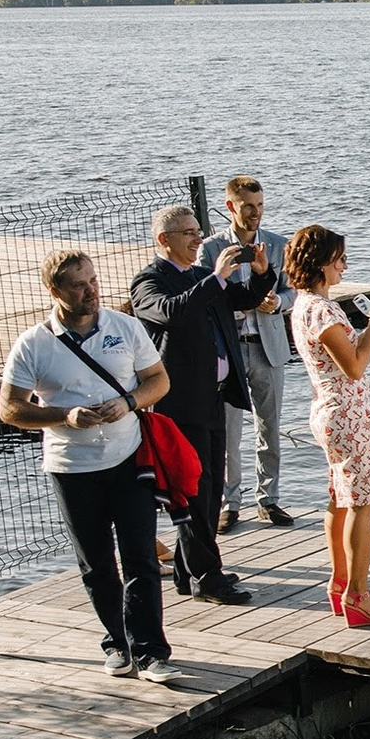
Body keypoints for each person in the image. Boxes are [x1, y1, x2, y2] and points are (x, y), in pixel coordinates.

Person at [0, 249, 186, 685]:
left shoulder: (125, 327)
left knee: (140, 554)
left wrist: (128, 402)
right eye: (79, 285)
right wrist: (64, 416)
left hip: (129, 457)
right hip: (71, 465)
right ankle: (117, 643)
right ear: (55, 291)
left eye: (94, 281)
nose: (91, 292)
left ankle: (152, 651)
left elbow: (159, 380)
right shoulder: (34, 343)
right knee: (96, 561)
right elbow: (10, 409)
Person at [131, 203, 270, 605]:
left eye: (198, 231)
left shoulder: (198, 277)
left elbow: (241, 299)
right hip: (179, 403)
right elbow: (170, 313)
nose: (198, 239)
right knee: (192, 490)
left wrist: (261, 273)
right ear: (164, 240)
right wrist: (217, 277)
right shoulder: (149, 282)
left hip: (214, 398)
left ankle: (187, 570)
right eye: (189, 233)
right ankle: (208, 577)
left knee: (210, 490)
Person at [286, 223, 370, 627]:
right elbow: (353, 367)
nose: (345, 267)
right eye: (339, 260)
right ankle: (358, 593)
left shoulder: (302, 305)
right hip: (347, 412)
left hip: (327, 409)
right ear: (321, 264)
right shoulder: (322, 308)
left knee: (339, 497)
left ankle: (339, 584)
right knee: (361, 504)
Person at [199, 175, 295, 529]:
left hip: (267, 346)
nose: (255, 213)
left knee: (269, 426)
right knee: (228, 430)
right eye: (248, 207)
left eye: (260, 206)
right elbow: (204, 294)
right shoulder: (211, 249)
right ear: (230, 207)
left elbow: (294, 291)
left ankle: (268, 499)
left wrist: (278, 302)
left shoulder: (277, 244)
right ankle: (230, 502)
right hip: (229, 350)